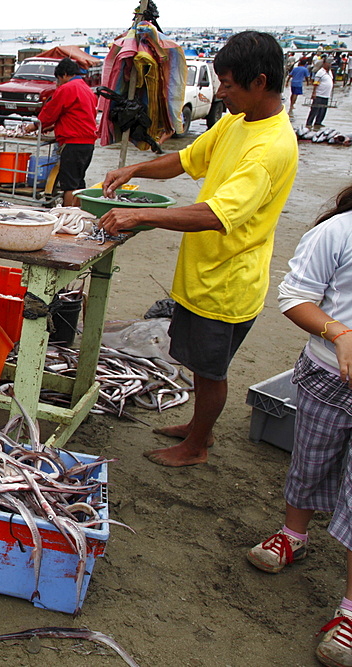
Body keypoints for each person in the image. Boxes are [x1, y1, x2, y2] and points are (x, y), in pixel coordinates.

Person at [97, 30, 298, 467]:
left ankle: (197, 446)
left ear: (260, 82)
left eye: (227, 84)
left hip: (228, 281)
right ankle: (196, 427)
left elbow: (216, 214)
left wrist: (139, 216)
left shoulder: (271, 147)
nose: (220, 92)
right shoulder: (234, 122)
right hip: (201, 273)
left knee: (211, 372)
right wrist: (136, 167)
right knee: (195, 363)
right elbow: (186, 160)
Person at [246, 183, 352, 667]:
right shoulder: (338, 232)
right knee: (310, 459)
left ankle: (349, 609)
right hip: (327, 374)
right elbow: (296, 297)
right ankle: (295, 535)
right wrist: (338, 332)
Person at [27, 57, 98, 207]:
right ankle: (79, 215)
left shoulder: (68, 88)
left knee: (69, 186)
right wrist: (54, 126)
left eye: (59, 78)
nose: (58, 82)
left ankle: (67, 218)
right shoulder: (87, 89)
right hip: (88, 143)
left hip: (73, 143)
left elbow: (50, 112)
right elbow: (78, 115)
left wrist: (34, 126)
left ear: (65, 74)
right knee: (78, 181)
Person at [307, 59, 334, 130]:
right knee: (314, 109)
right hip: (319, 94)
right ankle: (309, 123)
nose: (329, 65)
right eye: (328, 63)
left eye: (330, 63)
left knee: (323, 110)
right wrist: (314, 93)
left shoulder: (329, 72)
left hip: (326, 95)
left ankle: (318, 122)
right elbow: (316, 83)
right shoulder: (320, 72)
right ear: (324, 64)